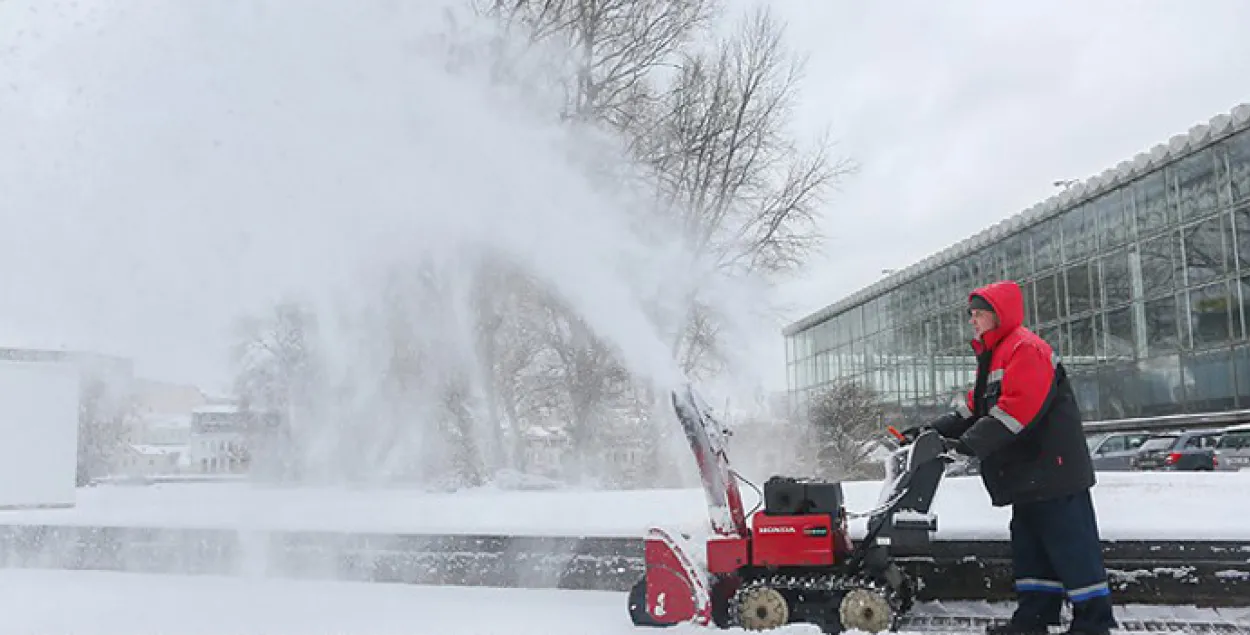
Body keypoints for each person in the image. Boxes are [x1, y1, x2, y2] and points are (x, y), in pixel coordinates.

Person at [904, 280, 1116, 635]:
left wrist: (968, 446)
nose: (973, 320)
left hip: (1053, 470)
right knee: (1031, 548)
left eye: (979, 313)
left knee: (1071, 547)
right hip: (1029, 473)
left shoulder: (1025, 349)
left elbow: (1016, 410)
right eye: (971, 314)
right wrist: (930, 432)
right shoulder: (997, 355)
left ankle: (1093, 624)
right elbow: (973, 408)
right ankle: (1033, 620)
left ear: (998, 315)